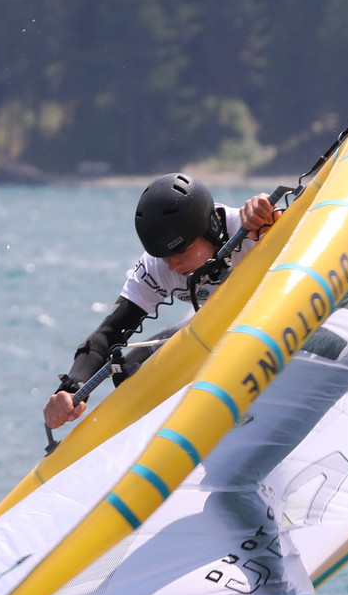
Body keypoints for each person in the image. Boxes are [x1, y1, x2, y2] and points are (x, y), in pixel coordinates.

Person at [43, 173, 279, 429]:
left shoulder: (250, 225)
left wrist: (273, 217)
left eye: (180, 252)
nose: (173, 264)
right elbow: (108, 333)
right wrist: (71, 389)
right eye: (164, 256)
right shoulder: (157, 266)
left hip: (271, 319)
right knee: (129, 368)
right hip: (220, 331)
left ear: (210, 227)